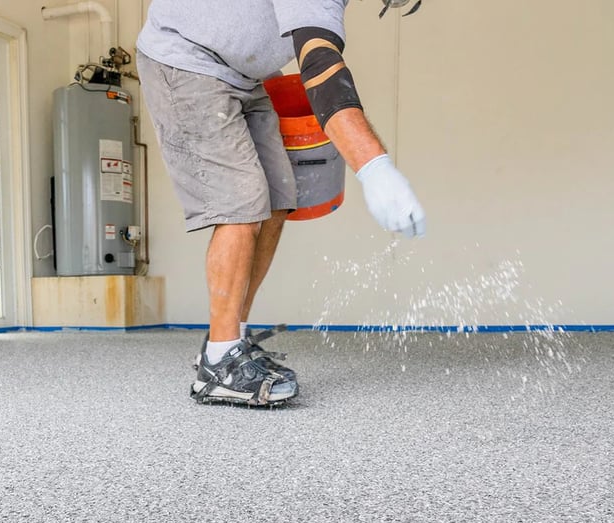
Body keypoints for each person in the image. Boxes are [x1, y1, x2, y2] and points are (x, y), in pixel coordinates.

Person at [136, 0, 427, 407]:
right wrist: (374, 167)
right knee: (241, 202)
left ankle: (231, 337)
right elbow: (321, 67)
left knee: (277, 198)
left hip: (244, 76)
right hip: (186, 59)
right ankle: (219, 365)